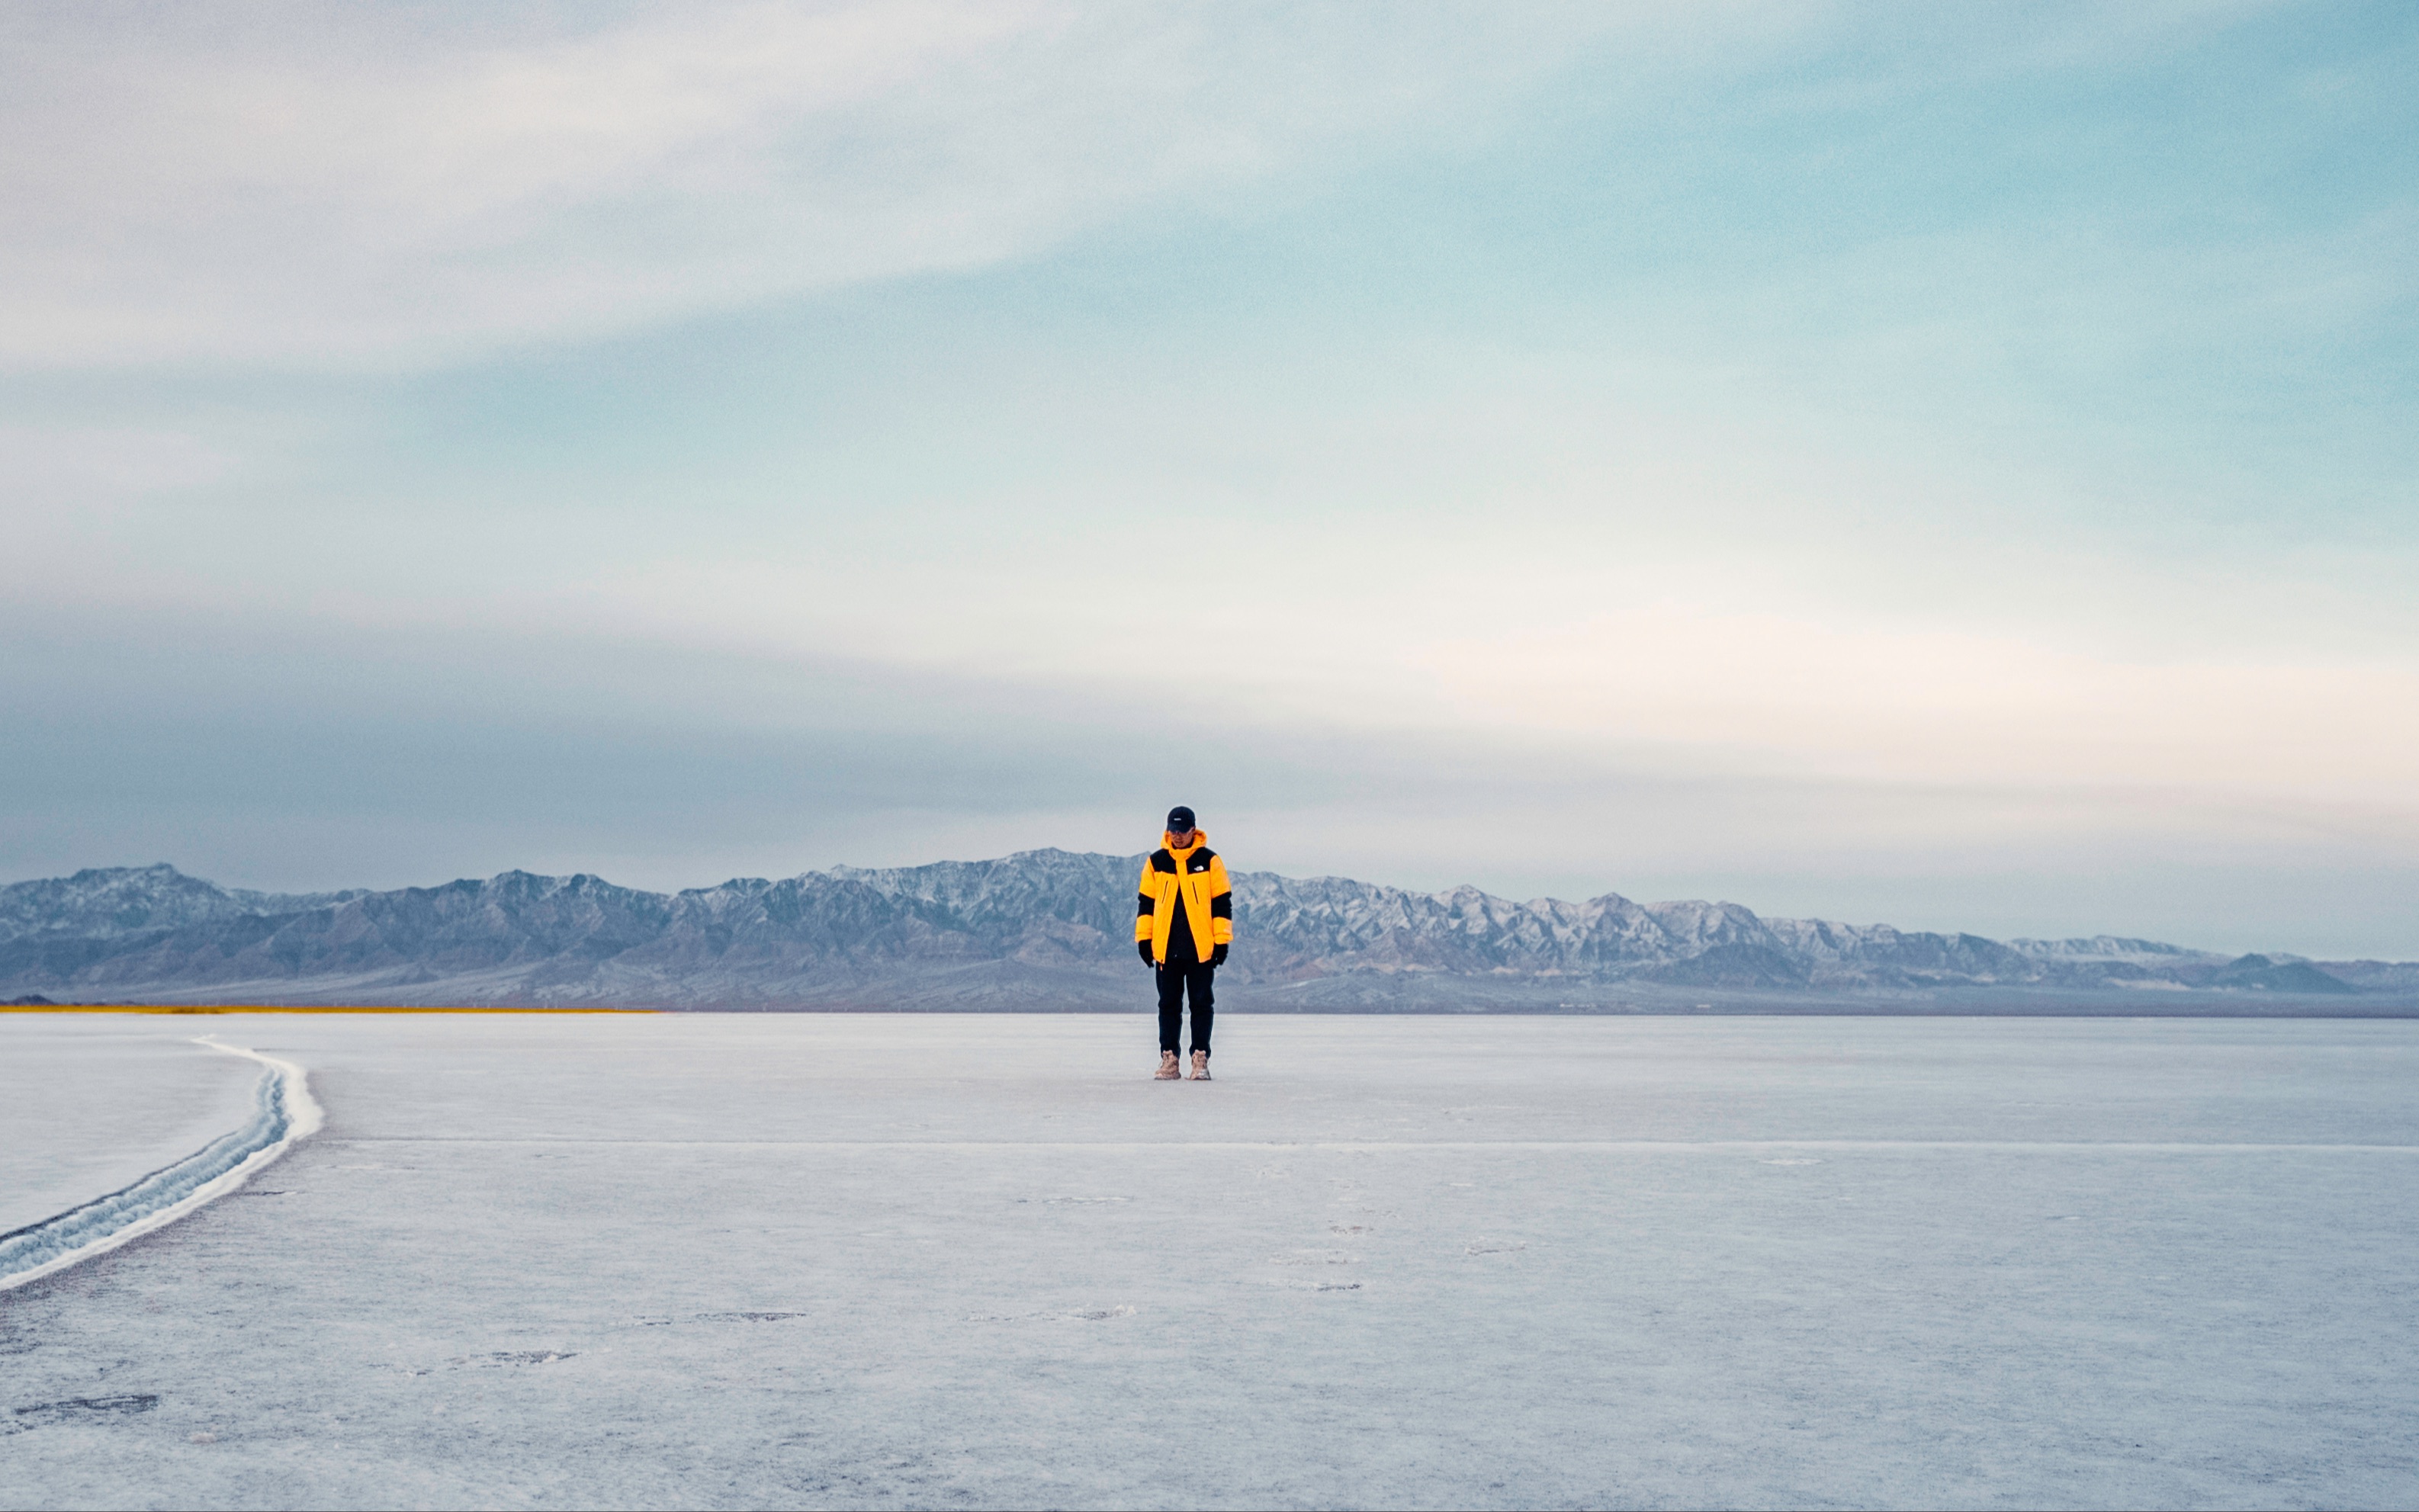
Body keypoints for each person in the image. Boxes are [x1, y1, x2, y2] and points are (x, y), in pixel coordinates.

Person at [1136, 804, 1232, 1080]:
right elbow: (1146, 904)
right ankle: (1170, 1059)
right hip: (1166, 950)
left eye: (1182, 830)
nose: (1177, 836)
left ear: (1194, 830)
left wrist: (1221, 941)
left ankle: (1200, 1058)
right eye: (1173, 830)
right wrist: (1144, 939)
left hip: (1201, 950)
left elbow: (1222, 903)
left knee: (1201, 1004)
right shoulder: (1156, 863)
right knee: (1168, 1005)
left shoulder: (1210, 861)